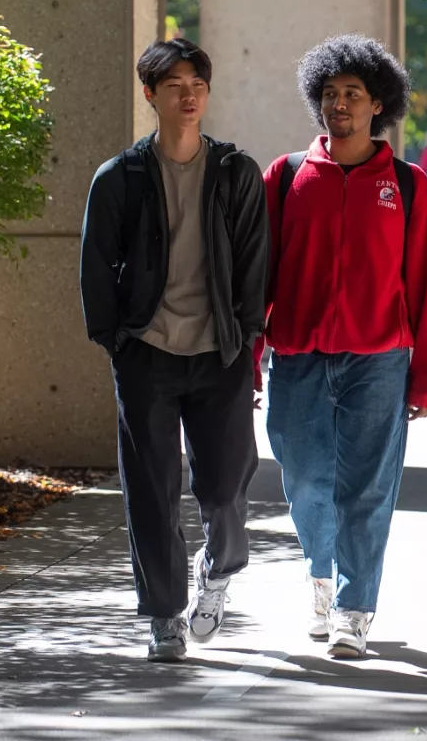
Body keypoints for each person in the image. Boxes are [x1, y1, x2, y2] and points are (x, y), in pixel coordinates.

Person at [78, 39, 269, 663]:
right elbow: (95, 268)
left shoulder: (236, 173)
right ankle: (163, 616)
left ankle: (219, 571)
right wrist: (118, 343)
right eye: (174, 84)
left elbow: (252, 265)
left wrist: (243, 339)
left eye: (198, 84)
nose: (188, 94)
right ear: (150, 94)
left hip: (219, 356)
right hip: (147, 356)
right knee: (152, 491)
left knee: (224, 487)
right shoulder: (122, 177)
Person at [261, 34, 427, 660]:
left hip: (379, 359)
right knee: (305, 478)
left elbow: (426, 284)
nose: (339, 103)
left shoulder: (409, 184)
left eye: (353, 94)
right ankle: (322, 569)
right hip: (296, 354)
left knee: (367, 488)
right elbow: (258, 271)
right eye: (330, 93)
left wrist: (425, 380)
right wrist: (250, 351)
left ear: (378, 105)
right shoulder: (286, 176)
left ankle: (353, 608)